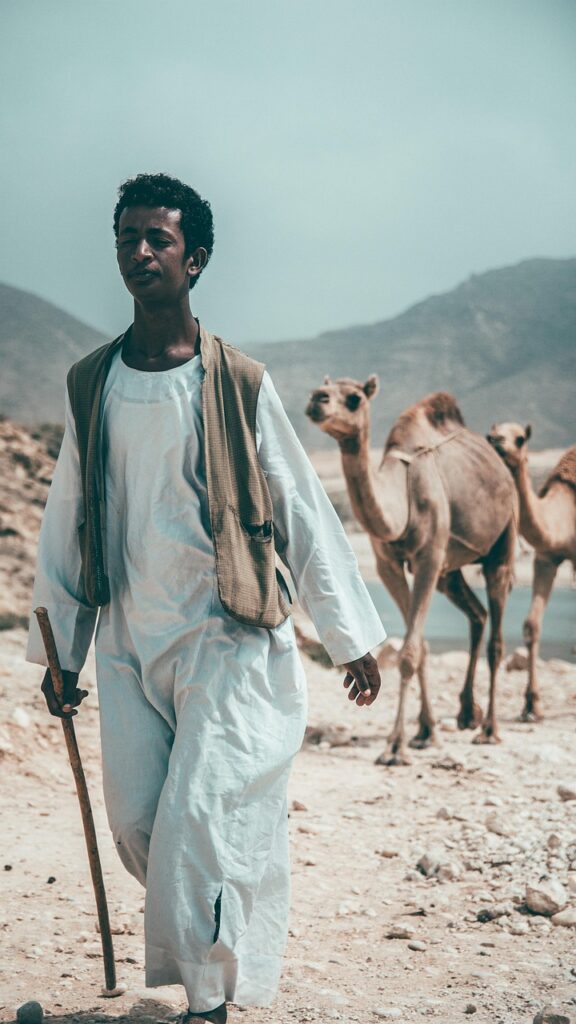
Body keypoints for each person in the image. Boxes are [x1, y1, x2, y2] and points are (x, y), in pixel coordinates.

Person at [27, 173, 386, 1023]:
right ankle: (216, 939)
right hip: (127, 640)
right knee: (141, 824)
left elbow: (302, 507)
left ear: (197, 259)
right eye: (127, 238)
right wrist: (61, 651)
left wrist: (350, 635)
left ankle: (209, 1001)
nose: (140, 252)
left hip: (227, 636)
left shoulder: (237, 382)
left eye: (158, 239)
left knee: (195, 824)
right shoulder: (94, 382)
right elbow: (67, 517)